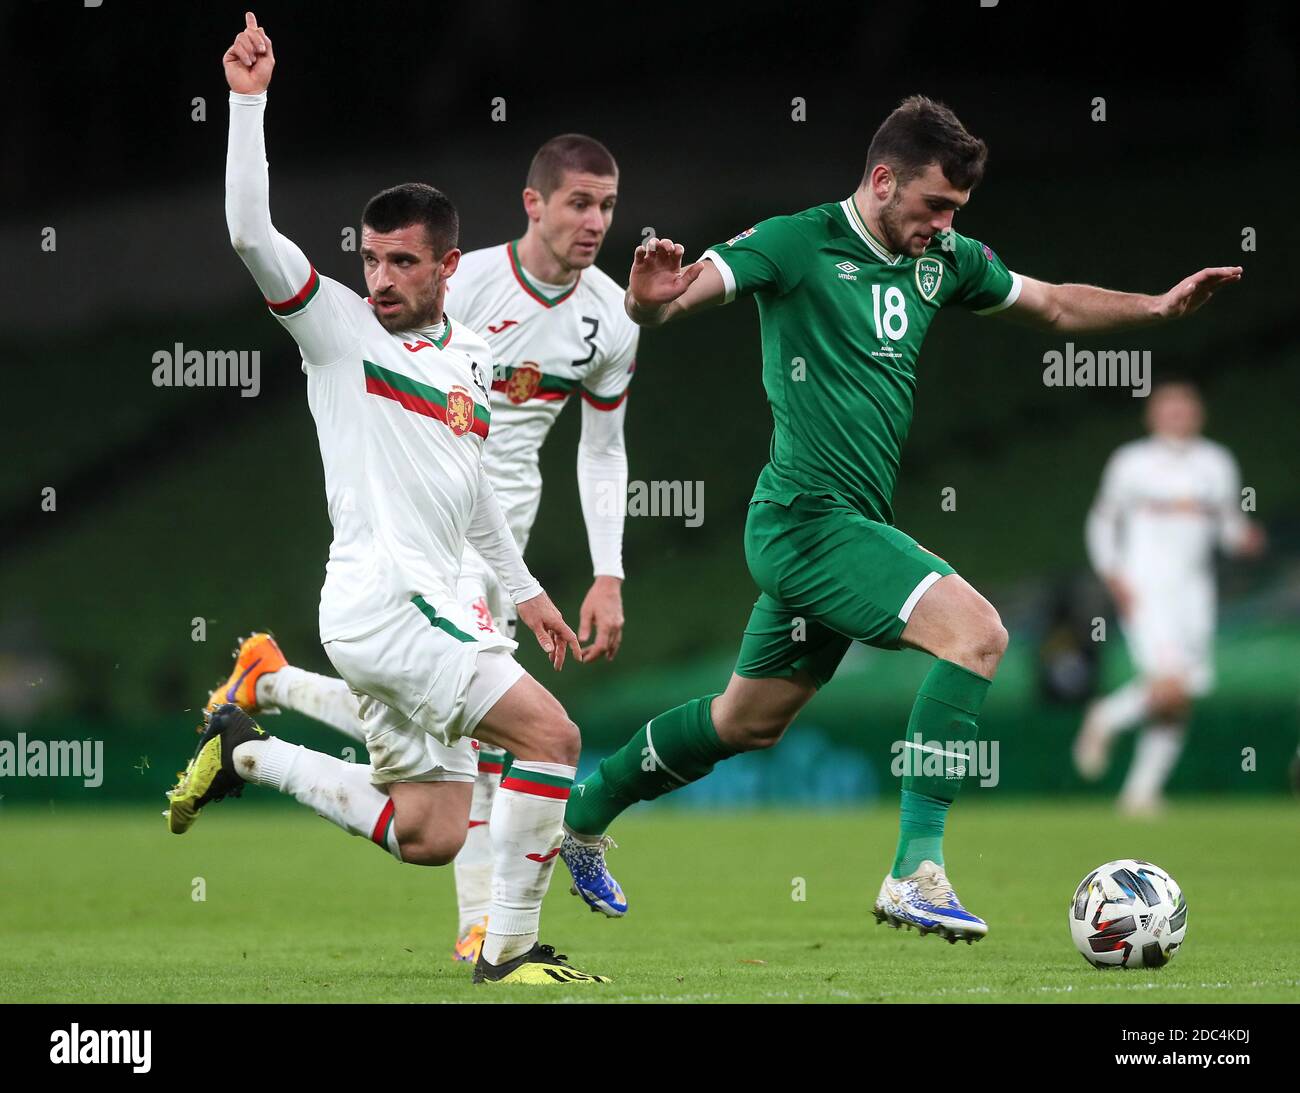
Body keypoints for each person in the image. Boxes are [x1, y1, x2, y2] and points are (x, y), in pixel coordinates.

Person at [560, 94, 1243, 942]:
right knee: (979, 634)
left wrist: (1157, 307)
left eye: (957, 211)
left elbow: (1056, 306)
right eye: (935, 206)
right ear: (883, 181)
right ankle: (915, 870)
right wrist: (650, 303)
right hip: (805, 521)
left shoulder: (943, 258)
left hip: (843, 525)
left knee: (748, 721)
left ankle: (583, 812)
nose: (945, 225)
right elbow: (678, 296)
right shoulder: (794, 241)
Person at [167, 12, 607, 987]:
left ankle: (249, 745)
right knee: (551, 738)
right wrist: (248, 103)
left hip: (435, 606)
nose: (381, 278)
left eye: (402, 262)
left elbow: (477, 487)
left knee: (431, 834)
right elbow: (248, 231)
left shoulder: (472, 356)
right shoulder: (339, 331)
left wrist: (526, 589)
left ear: (450, 267)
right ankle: (512, 952)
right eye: (371, 259)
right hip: (383, 604)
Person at [1074, 381, 1263, 813]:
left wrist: (1244, 539)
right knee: (1170, 683)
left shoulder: (1216, 462)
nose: (1178, 416)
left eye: (1186, 409)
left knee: (1185, 691)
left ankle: (1140, 794)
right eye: (1169, 409)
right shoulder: (1132, 462)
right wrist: (1112, 572)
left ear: (1199, 415)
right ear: (1153, 416)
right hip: (1147, 586)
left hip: (1195, 591)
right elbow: (1102, 521)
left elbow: (1228, 528)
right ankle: (1105, 717)